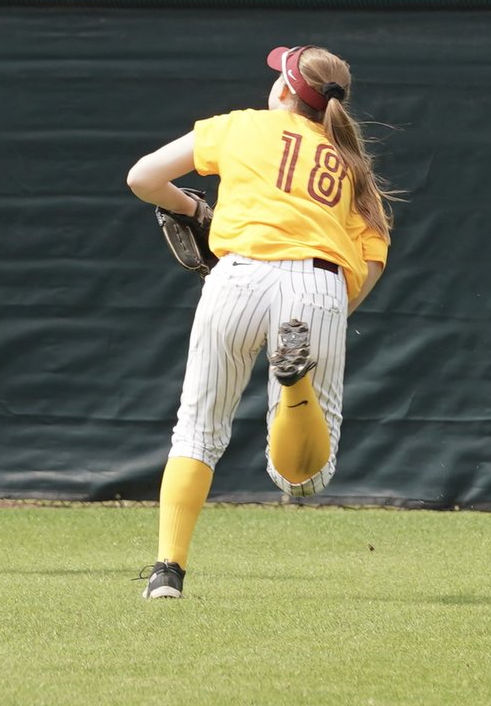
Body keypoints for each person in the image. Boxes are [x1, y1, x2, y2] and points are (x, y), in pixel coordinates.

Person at [127, 44, 394, 600]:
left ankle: (167, 571)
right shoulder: (351, 164)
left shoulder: (240, 126)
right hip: (318, 283)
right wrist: (332, 313)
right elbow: (371, 258)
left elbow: (142, 177)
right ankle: (294, 386)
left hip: (237, 277)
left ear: (285, 90)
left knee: (197, 431)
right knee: (304, 478)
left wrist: (196, 211)